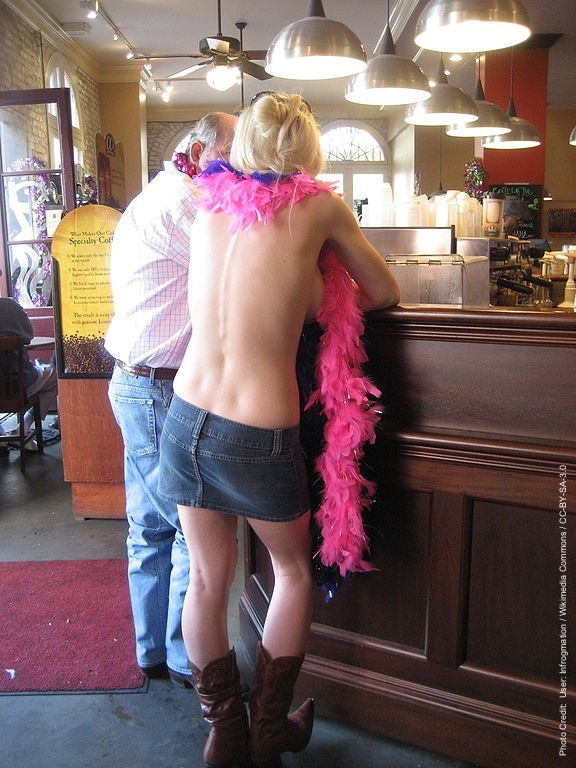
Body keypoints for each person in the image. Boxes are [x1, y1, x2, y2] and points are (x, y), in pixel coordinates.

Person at [157, 92, 400, 768]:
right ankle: (267, 735)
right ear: (308, 149)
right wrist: (316, 293)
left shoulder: (210, 201)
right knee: (291, 571)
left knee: (207, 578)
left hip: (185, 418)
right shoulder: (318, 206)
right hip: (256, 431)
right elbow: (384, 292)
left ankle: (224, 735)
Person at [104, 112, 238, 684]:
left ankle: (152, 651)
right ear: (201, 152)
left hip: (140, 381)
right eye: (235, 152)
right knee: (188, 526)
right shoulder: (186, 204)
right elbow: (240, 275)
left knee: (150, 527)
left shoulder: (163, 194)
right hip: (156, 385)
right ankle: (187, 660)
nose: (244, 166)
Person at [0, 296, 58, 437]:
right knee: (57, 377)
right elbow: (28, 337)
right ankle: (23, 427)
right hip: (18, 385)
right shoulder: (9, 306)